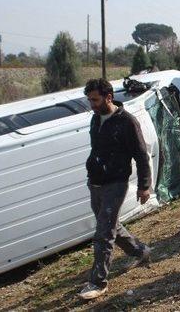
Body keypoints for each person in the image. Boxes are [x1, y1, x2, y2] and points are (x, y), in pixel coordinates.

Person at [79, 78, 152, 300]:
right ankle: (140, 251)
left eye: (95, 99)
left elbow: (141, 155)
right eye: (89, 100)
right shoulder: (95, 119)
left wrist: (144, 186)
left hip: (116, 183)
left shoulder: (127, 122)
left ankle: (98, 282)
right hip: (96, 182)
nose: (91, 104)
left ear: (108, 97)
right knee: (111, 226)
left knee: (103, 233)